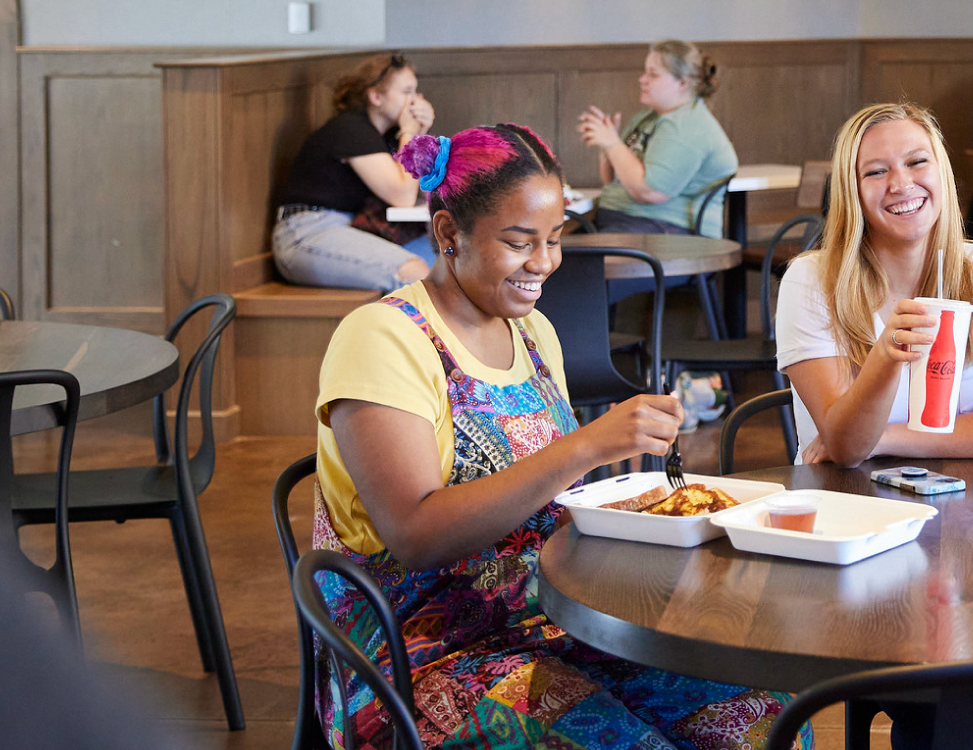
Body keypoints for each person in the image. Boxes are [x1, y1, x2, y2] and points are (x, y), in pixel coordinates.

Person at [314, 122, 804, 749]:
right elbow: (416, 534)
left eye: (554, 239)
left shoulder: (533, 333)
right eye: (520, 242)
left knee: (767, 712)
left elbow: (550, 509)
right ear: (447, 233)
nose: (543, 263)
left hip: (558, 624)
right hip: (418, 661)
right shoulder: (383, 337)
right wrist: (587, 445)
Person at [775, 103, 973, 468]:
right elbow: (846, 448)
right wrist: (885, 356)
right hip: (845, 505)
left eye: (917, 162)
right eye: (875, 171)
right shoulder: (811, 280)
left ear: (942, 173)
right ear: (851, 191)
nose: (901, 184)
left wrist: (885, 438)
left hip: (966, 505)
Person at [272, 53, 438, 292]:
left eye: (417, 92)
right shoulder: (350, 129)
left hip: (345, 229)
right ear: (376, 96)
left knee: (444, 261)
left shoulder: (384, 136)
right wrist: (410, 134)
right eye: (407, 92)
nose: (416, 101)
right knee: (414, 273)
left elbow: (422, 188)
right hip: (306, 234)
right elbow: (402, 195)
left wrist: (419, 134)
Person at [578, 40, 740, 237]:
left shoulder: (687, 125)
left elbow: (649, 192)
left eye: (652, 75)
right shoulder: (649, 118)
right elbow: (611, 180)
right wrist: (606, 145)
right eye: (645, 72)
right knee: (553, 254)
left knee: (567, 261)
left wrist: (613, 144)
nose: (642, 79)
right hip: (627, 223)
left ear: (683, 83)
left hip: (667, 231)